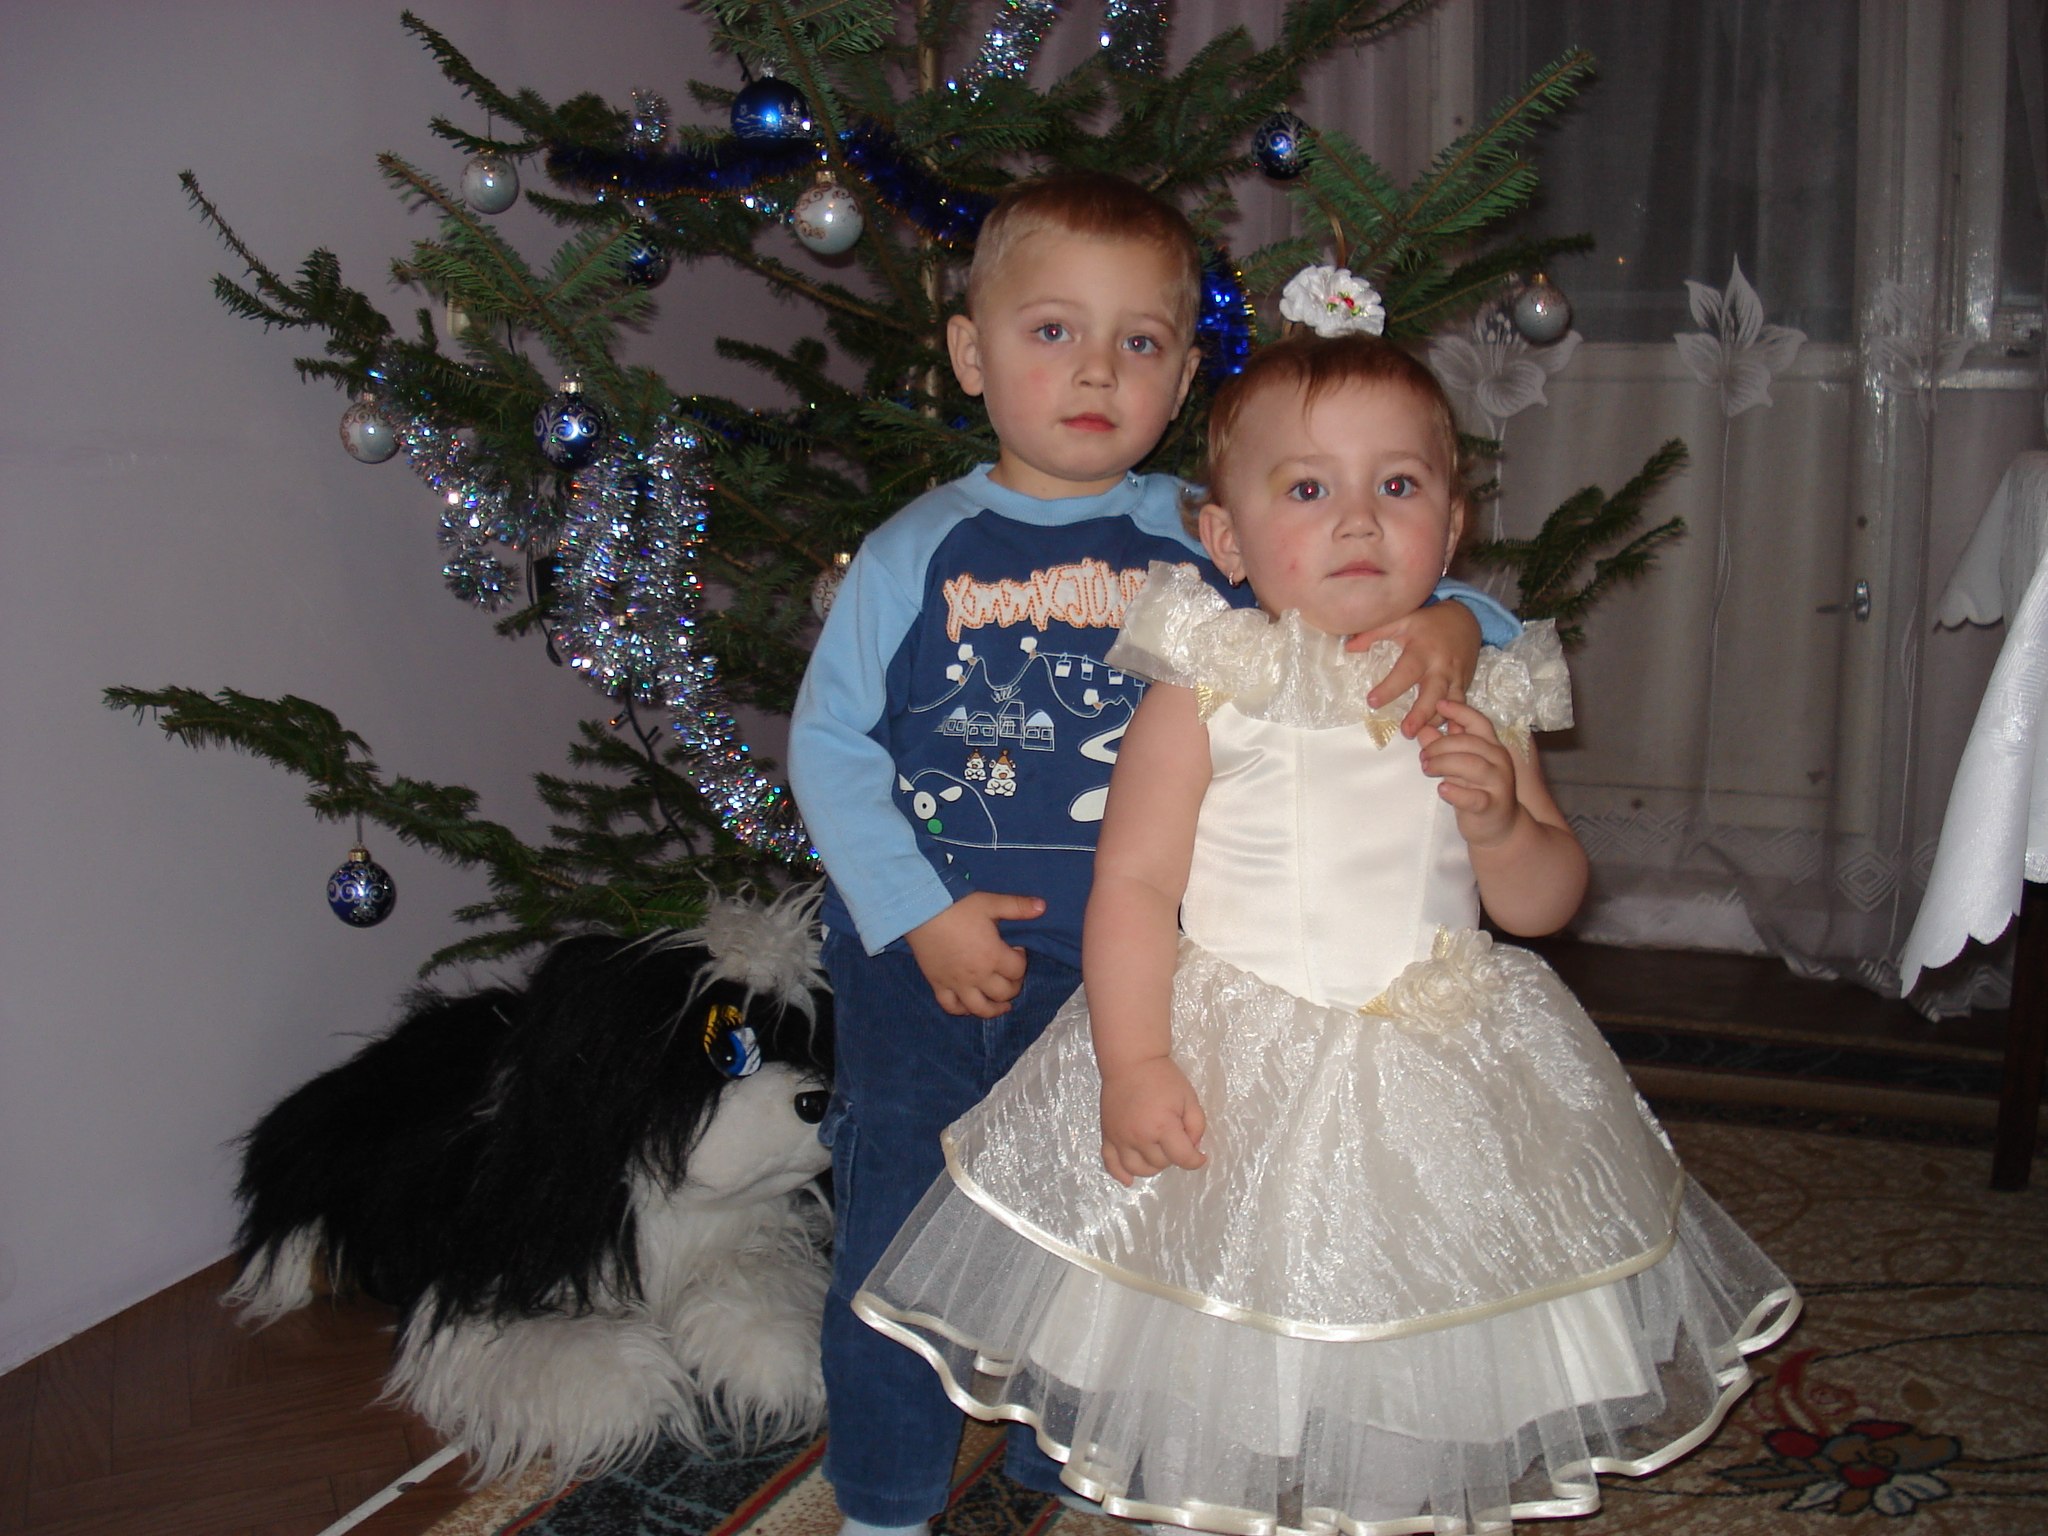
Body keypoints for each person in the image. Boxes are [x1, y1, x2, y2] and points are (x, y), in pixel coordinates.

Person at [852, 330, 1802, 1535]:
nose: (1357, 519)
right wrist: (1134, 1062)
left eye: (1395, 485)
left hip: (1441, 1067)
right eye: (1307, 489)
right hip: (1238, 1062)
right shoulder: (1205, 685)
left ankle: (1397, 1499)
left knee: (1419, 1338)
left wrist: (1503, 823)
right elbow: (1133, 884)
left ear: (1450, 527)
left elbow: (1542, 902)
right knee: (1216, 1343)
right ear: (1225, 539)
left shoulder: (1485, 685)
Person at [787, 179, 1522, 1536]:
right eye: (1051, 332)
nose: (1094, 372)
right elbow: (829, 747)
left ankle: (1067, 1457)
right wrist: (916, 910)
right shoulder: (914, 550)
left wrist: (1460, 625)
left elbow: (1350, 568)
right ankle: (884, 1496)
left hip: (1125, 961)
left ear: (1182, 379)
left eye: (1137, 343)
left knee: (1108, 1219)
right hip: (923, 947)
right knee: (900, 1208)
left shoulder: (1198, 534)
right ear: (970, 355)